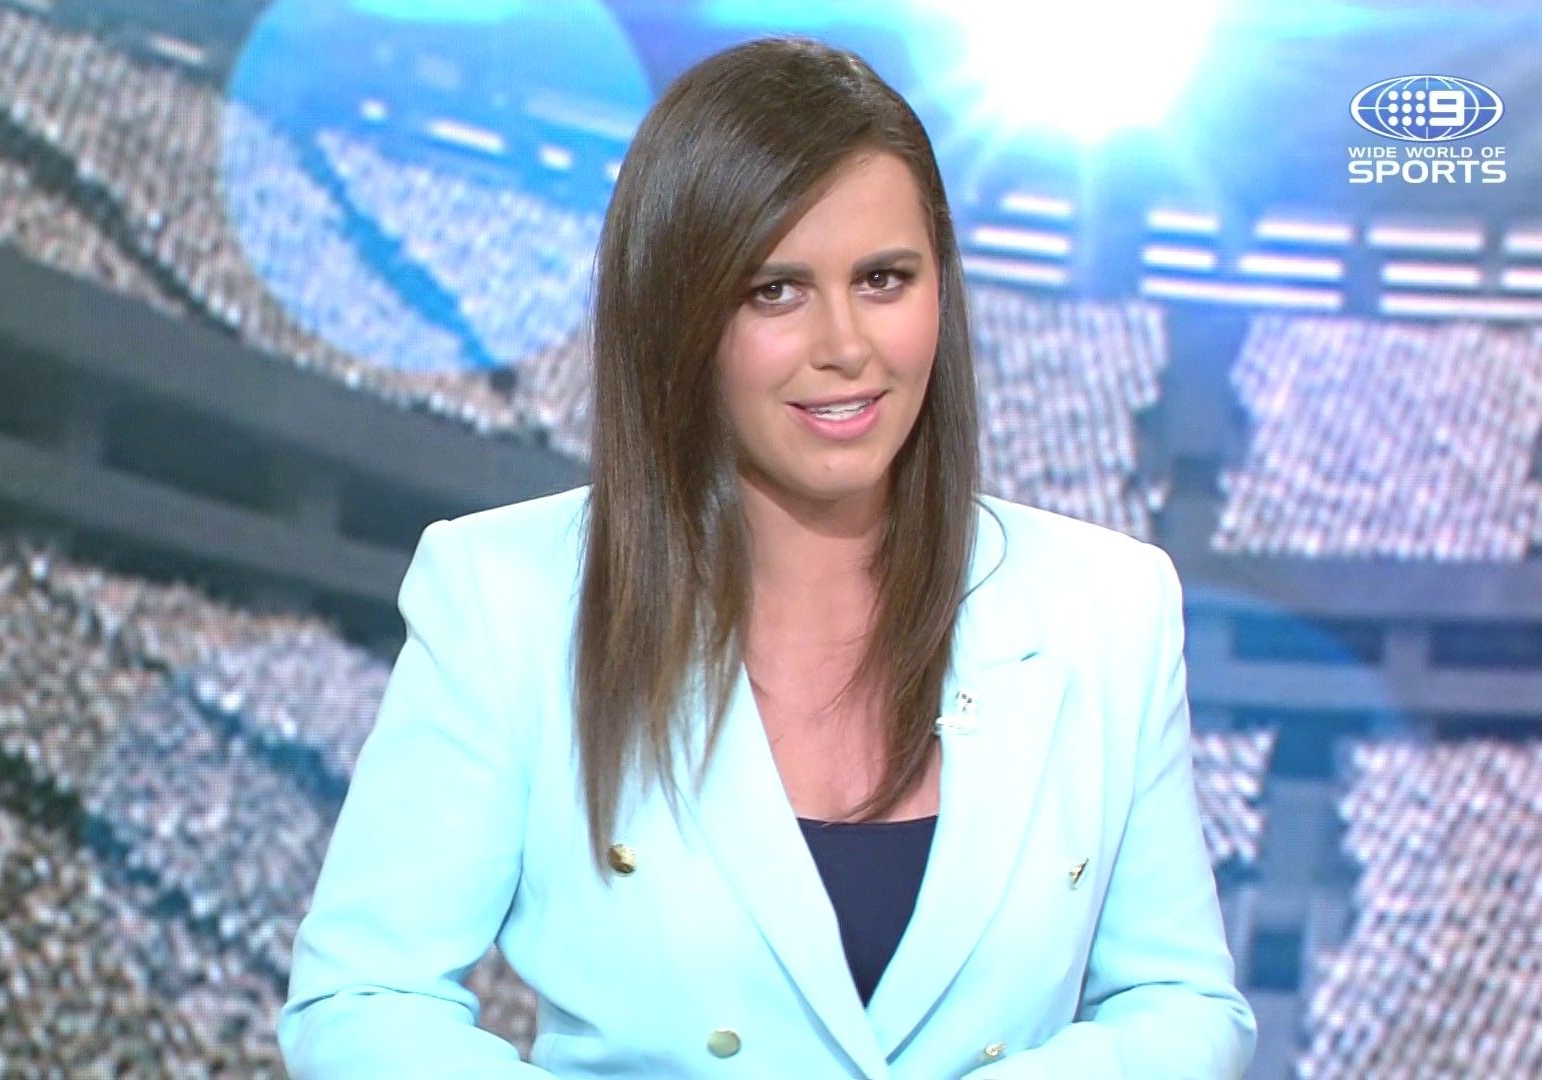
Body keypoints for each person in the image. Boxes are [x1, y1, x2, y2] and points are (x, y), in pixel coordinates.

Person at [279, 36, 1256, 1078]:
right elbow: (363, 1000)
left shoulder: (1110, 605)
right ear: (678, 314)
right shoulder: (504, 595)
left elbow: (1181, 1002)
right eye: (775, 291)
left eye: (883, 279)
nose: (846, 345)